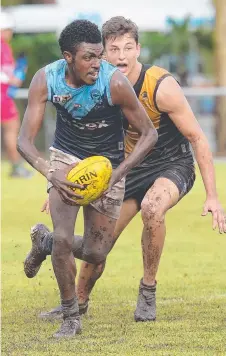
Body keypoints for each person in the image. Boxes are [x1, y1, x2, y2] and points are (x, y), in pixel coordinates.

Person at [24, 16, 226, 324]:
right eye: (113, 49)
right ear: (102, 52)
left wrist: (212, 195)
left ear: (138, 50)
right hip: (127, 166)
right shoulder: (96, 83)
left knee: (152, 207)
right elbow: (88, 139)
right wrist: (64, 184)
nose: (121, 56)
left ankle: (148, 290)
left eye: (128, 48)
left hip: (170, 163)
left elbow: (197, 136)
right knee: (98, 249)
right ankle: (75, 298)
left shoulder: (158, 85)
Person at [17, 19, 157, 339]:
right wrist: (49, 170)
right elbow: (24, 141)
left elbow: (149, 135)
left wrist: (118, 174)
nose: (97, 64)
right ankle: (70, 316)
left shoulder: (114, 83)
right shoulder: (47, 79)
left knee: (96, 253)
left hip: (108, 166)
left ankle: (44, 242)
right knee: (66, 238)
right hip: (66, 160)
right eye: (88, 58)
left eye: (99, 55)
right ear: (68, 57)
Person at [0, 11, 32, 178]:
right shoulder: (3, 47)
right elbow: (12, 80)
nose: (10, 33)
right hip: (2, 97)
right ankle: (17, 167)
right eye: (8, 29)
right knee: (12, 130)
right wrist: (21, 71)